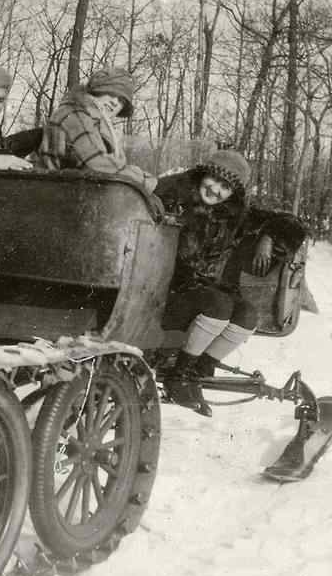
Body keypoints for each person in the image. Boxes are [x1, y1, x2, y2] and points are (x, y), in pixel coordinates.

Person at [154, 149, 307, 417]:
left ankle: (197, 371)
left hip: (197, 293)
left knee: (247, 314)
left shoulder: (232, 213)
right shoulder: (173, 194)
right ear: (203, 174)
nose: (216, 191)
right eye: (213, 180)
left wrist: (268, 236)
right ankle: (178, 375)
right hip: (162, 288)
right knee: (219, 304)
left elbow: (291, 223)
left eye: (225, 187)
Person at [37, 67, 155, 191]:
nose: (115, 103)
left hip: (79, 193)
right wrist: (147, 181)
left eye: (121, 101)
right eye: (112, 93)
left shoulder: (96, 121)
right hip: (58, 195)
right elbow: (97, 165)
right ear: (98, 90)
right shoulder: (75, 114)